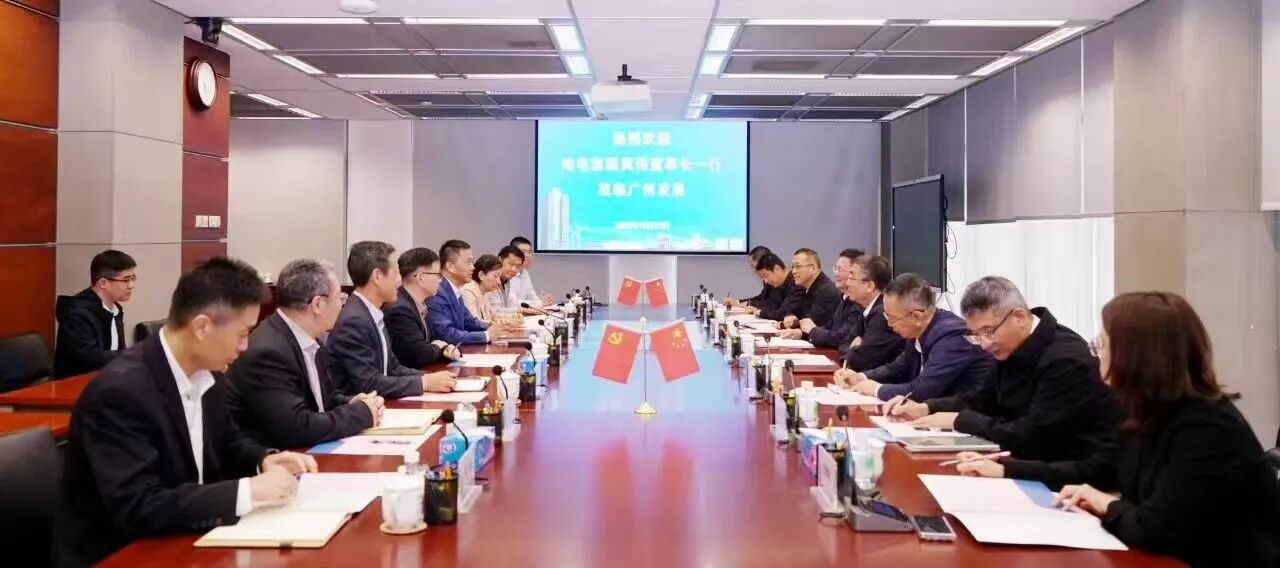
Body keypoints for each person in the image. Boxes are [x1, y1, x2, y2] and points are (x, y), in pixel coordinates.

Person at [955, 292, 1280, 567]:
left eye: (1103, 345)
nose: (1096, 354)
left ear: (1138, 357)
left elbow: (1157, 529)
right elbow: (1097, 469)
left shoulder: (1206, 427)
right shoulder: (1143, 409)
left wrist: (1104, 503)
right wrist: (1007, 470)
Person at [53, 257, 317, 567]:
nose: (245, 346)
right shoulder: (120, 392)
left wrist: (262, 460)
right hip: (124, 553)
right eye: (243, 333)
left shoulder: (210, 373)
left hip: (189, 539)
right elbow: (139, 506)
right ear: (202, 327)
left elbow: (227, 444)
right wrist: (247, 492)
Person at [885, 276, 1121, 462]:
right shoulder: (1011, 347)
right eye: (976, 335)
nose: (984, 344)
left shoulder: (1066, 360)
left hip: (1067, 478)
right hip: (1021, 460)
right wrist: (926, 407)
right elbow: (982, 399)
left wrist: (960, 421)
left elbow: (1034, 436)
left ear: (1019, 316)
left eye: (988, 332)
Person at [227, 259, 385, 449]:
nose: (342, 305)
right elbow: (298, 427)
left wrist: (351, 402)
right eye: (340, 298)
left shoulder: (309, 338)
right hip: (278, 459)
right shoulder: (268, 352)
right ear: (317, 304)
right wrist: (361, 414)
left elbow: (325, 398)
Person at [834, 273, 993, 401]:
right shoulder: (919, 330)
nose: (889, 324)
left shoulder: (951, 337)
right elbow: (899, 367)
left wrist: (877, 389)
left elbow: (924, 389)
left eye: (892, 318)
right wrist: (861, 377)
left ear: (917, 317)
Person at [327, 241, 456, 398]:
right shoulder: (354, 321)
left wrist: (429, 377)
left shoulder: (371, 312)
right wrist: (424, 383)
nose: (400, 280)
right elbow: (369, 383)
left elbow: (392, 368)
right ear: (377, 276)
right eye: (396, 273)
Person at [53, 250, 137, 378]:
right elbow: (88, 359)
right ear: (103, 283)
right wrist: (133, 355)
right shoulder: (76, 313)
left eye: (133, 278)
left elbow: (117, 353)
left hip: (105, 379)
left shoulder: (115, 310)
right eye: (126, 280)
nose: (131, 285)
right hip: (75, 383)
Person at [383, 248, 461, 369]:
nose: (440, 280)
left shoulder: (420, 303)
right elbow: (419, 353)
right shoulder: (399, 309)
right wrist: (441, 349)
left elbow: (434, 339)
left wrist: (443, 347)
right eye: (438, 275)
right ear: (420, 278)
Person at [780, 249, 859, 342]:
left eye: (840, 269)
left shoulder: (828, 291)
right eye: (836, 269)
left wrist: (810, 331)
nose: (793, 271)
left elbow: (841, 338)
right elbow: (829, 327)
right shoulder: (844, 298)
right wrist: (800, 333)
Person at [842, 255, 905, 371]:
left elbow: (860, 361)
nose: (847, 283)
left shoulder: (883, 314)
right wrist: (855, 348)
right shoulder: (865, 307)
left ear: (870, 286)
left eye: (852, 278)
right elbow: (844, 342)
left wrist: (853, 350)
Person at [428, 239, 491, 344]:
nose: (473, 268)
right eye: (468, 262)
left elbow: (469, 322)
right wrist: (487, 336)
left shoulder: (455, 289)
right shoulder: (437, 291)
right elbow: (447, 334)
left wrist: (493, 326)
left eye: (472, 262)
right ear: (450, 266)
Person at [777, 248, 842, 330]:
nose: (793, 271)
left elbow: (810, 323)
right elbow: (793, 311)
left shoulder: (826, 291)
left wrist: (783, 325)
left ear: (813, 268)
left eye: (797, 266)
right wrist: (790, 316)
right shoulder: (803, 286)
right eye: (792, 267)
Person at [460, 254, 521, 332]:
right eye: (495, 276)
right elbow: (475, 323)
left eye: (499, 277)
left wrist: (513, 317)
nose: (499, 282)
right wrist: (502, 324)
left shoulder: (486, 292)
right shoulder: (468, 291)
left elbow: (493, 315)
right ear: (481, 275)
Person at [746, 252, 802, 321]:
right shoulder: (779, 283)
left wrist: (760, 312)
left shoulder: (796, 283)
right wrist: (757, 309)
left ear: (776, 269)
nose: (766, 281)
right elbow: (772, 306)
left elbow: (784, 313)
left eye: (766, 276)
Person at [507, 236, 554, 312]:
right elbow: (512, 304)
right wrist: (540, 303)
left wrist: (544, 300)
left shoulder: (524, 272)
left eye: (529, 252)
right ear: (512, 254)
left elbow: (531, 296)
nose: (527, 255)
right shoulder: (508, 274)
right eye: (523, 252)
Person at [496, 245, 527, 312]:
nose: (514, 269)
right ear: (500, 260)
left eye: (518, 266)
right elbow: (495, 310)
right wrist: (520, 310)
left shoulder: (507, 281)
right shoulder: (490, 280)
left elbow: (513, 304)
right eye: (511, 264)